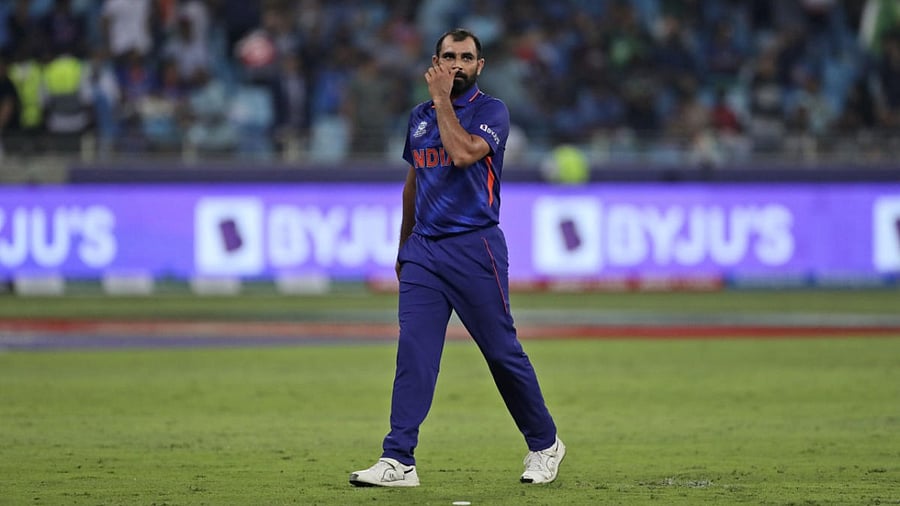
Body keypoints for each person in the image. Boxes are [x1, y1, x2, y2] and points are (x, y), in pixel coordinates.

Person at [349, 28, 565, 488]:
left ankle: (545, 444)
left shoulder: (492, 112)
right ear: (435, 61)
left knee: (501, 353)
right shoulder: (419, 117)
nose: (457, 64)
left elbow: (465, 154)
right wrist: (404, 246)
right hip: (425, 250)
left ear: (479, 66)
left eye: (466, 57)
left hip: (475, 246)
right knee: (415, 352)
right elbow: (414, 182)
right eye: (449, 56)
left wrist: (442, 101)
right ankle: (398, 459)